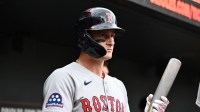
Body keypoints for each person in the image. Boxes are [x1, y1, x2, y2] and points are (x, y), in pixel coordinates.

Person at [42, 7, 169, 112]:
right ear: (83, 38)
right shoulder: (64, 77)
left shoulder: (118, 85)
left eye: (112, 36)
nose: (111, 42)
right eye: (104, 35)